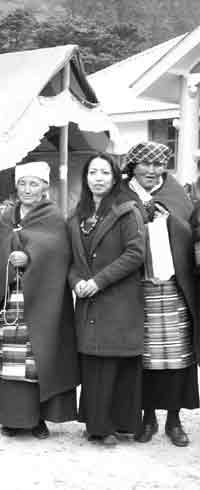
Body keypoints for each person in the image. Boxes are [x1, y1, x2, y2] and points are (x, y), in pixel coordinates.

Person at [0, 161, 78, 439]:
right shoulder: (6, 218)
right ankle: (11, 418)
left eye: (34, 184)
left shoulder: (53, 217)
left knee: (37, 359)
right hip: (11, 298)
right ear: (16, 187)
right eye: (23, 184)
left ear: (44, 188)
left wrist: (30, 257)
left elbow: (59, 254)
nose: (28, 189)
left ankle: (38, 418)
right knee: (11, 360)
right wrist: (10, 255)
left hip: (43, 300)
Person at [120, 142, 199, 447]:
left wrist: (169, 223)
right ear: (133, 166)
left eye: (158, 166)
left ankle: (174, 420)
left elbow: (191, 232)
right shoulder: (122, 194)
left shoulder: (175, 193)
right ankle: (148, 417)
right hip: (137, 288)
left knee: (178, 357)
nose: (152, 171)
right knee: (145, 357)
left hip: (173, 287)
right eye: (145, 165)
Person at [69, 153, 145, 446]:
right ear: (85, 178)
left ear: (114, 178)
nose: (97, 178)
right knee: (93, 363)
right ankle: (96, 425)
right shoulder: (77, 214)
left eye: (104, 173)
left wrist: (98, 281)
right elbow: (72, 260)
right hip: (88, 298)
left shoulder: (127, 211)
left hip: (118, 298)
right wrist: (77, 283)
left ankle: (117, 424)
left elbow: (136, 253)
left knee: (115, 361)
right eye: (92, 173)